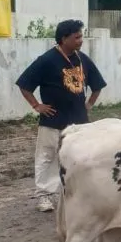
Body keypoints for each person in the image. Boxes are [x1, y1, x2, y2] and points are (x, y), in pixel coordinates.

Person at [16, 19, 106, 213]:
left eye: (81, 36)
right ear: (64, 38)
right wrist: (36, 105)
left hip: (79, 123)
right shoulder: (47, 60)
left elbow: (97, 85)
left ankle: (76, 193)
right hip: (53, 120)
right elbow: (24, 84)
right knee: (47, 157)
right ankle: (44, 196)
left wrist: (88, 104)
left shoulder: (82, 59)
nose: (81, 40)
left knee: (80, 157)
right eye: (77, 37)